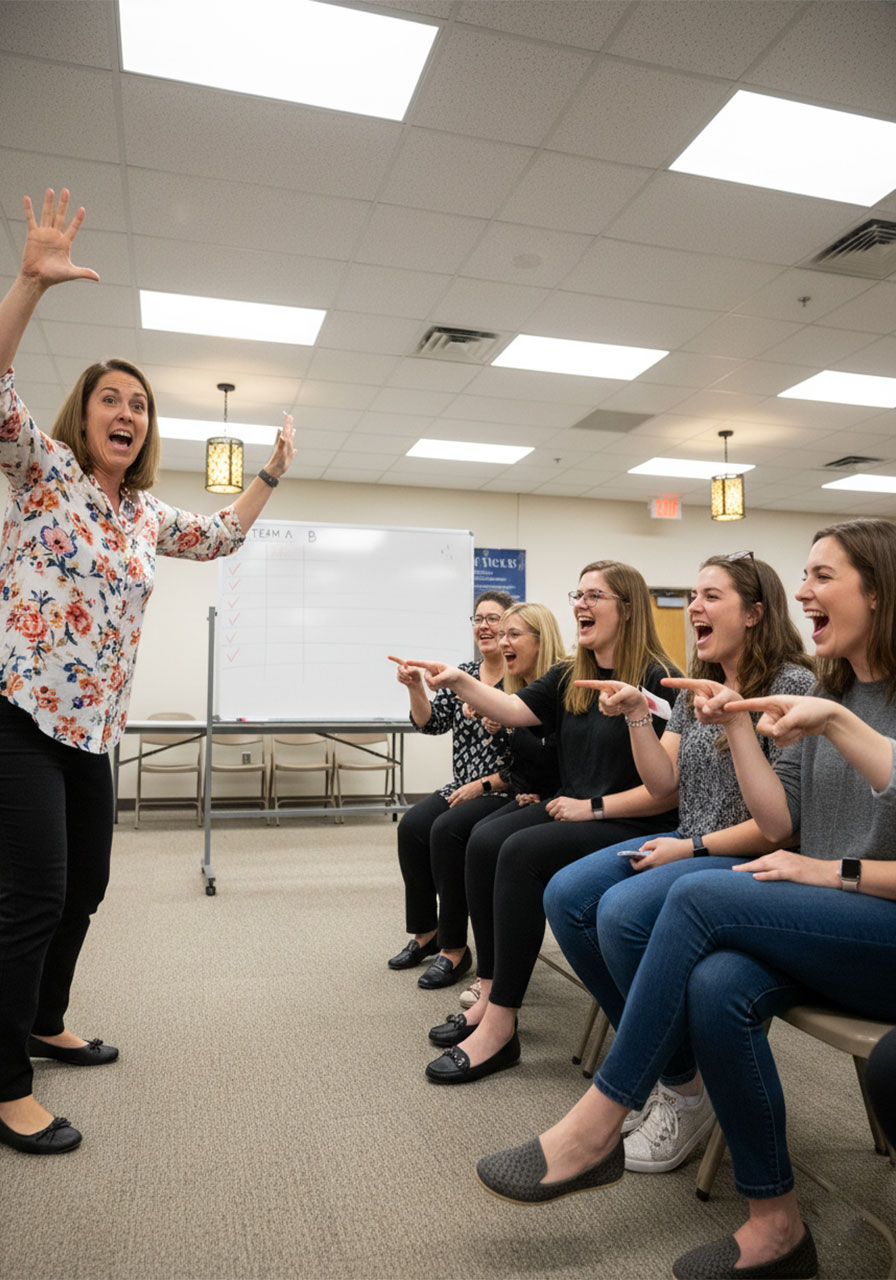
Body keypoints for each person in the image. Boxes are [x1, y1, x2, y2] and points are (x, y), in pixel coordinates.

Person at [476, 519, 896, 1280]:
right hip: (830, 911)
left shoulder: (824, 697)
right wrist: (733, 728)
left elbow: (787, 840)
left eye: (823, 576)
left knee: (696, 900)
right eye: (803, 576)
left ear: (881, 589)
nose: (805, 590)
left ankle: (599, 1122)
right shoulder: (831, 688)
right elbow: (779, 821)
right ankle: (777, 1226)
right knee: (713, 981)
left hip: (876, 918)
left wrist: (827, 871)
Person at [0, 189, 297, 1155]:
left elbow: (217, 538)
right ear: (81, 415)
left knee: (84, 886)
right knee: (32, 894)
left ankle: (46, 1020)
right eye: (109, 399)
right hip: (17, 718)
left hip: (92, 733)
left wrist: (273, 474)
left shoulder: (142, 516)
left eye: (138, 404)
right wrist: (30, 285)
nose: (125, 413)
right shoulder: (46, 476)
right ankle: (4, 1083)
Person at [543, 553, 814, 1174]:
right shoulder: (698, 683)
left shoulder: (794, 687)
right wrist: (639, 716)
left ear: (754, 613)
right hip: (689, 838)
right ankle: (679, 1070)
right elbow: (665, 784)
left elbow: (783, 826)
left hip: (748, 855)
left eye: (710, 596)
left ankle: (683, 1092)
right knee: (566, 895)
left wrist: (689, 848)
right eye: (693, 595)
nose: (693, 607)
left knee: (619, 913)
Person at [403, 560, 681, 1083]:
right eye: (578, 593)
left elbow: (663, 792)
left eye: (594, 595)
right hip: (576, 813)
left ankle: (501, 1024)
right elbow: (509, 709)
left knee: (519, 853)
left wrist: (590, 808)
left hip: (630, 820)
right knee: (484, 842)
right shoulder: (571, 674)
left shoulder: (655, 677)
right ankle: (492, 995)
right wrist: (460, 680)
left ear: (627, 607)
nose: (580, 603)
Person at [386, 591, 514, 989]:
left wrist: (484, 781)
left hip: (501, 788)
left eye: (493, 619)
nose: (485, 626)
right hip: (461, 784)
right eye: (478, 619)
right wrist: (415, 688)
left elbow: (534, 751)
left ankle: (455, 949)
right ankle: (427, 934)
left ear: (510, 627)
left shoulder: (522, 677)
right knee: (411, 827)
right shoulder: (464, 672)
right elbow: (431, 724)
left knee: (446, 831)